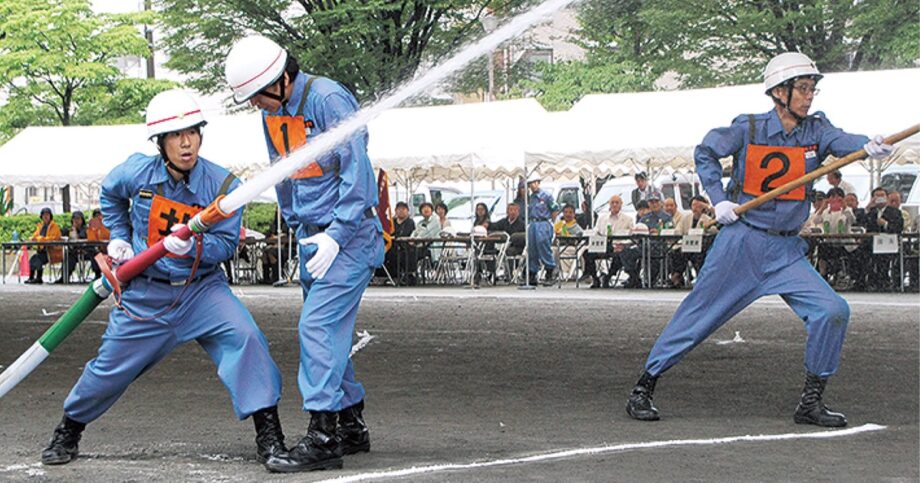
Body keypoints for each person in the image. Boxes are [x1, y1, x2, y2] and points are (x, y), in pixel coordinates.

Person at [625, 52, 893, 427]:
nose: (809, 95)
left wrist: (870, 145)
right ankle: (644, 386)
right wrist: (719, 200)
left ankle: (810, 402)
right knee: (698, 316)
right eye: (802, 88)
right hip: (742, 244)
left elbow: (844, 141)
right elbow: (706, 151)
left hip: (785, 250)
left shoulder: (817, 130)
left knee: (832, 310)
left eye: (812, 88)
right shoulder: (748, 128)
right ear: (778, 92)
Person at [39, 89, 286, 467]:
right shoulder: (135, 171)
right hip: (145, 293)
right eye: (175, 135)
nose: (186, 143)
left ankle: (270, 435)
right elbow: (109, 195)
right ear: (160, 142)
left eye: (192, 132)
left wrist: (195, 249)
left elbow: (225, 244)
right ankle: (69, 429)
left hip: (201, 291)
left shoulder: (224, 186)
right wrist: (119, 235)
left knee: (247, 338)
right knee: (109, 367)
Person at [226, 35, 384, 472]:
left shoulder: (328, 99)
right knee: (328, 336)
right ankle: (351, 425)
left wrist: (337, 233)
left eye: (256, 94)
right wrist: (299, 228)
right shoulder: (272, 112)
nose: (255, 104)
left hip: (348, 239)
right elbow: (284, 173)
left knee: (316, 328)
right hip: (315, 240)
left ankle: (323, 437)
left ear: (279, 80)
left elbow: (358, 172)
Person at [589, 195, 635, 288]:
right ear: (609, 204)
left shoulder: (628, 219)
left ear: (621, 205)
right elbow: (596, 232)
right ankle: (595, 278)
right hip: (603, 245)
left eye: (617, 203)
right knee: (587, 254)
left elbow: (632, 237)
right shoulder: (602, 218)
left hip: (619, 246)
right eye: (612, 202)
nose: (614, 205)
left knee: (620, 255)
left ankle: (608, 277)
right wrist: (597, 246)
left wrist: (624, 245)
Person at [865, 187, 904, 290]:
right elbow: (862, 224)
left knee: (883, 257)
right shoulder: (871, 212)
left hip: (888, 243)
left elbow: (898, 227)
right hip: (872, 243)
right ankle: (865, 280)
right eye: (877, 196)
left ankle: (883, 280)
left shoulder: (894, 212)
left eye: (882, 196)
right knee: (860, 253)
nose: (879, 198)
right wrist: (868, 207)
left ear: (887, 198)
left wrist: (885, 224)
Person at [523, 173, 558, 286]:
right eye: (530, 184)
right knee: (532, 248)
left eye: (533, 183)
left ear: (538, 183)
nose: (532, 186)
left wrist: (551, 222)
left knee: (543, 246)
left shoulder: (546, 195)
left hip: (543, 223)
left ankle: (550, 271)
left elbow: (554, 209)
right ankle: (533, 273)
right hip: (533, 223)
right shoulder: (531, 197)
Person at [24, 207, 62, 284]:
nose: (45, 217)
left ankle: (38, 277)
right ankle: (31, 277)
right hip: (42, 251)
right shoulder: (40, 226)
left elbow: (53, 238)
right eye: (44, 215)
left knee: (38, 259)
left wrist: (41, 239)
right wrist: (32, 238)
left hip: (51, 252)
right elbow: (35, 235)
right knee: (33, 259)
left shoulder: (54, 226)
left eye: (47, 215)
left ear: (50, 216)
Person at [385, 201, 416, 284]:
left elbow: (408, 234)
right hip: (392, 245)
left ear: (407, 211)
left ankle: (404, 276)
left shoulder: (410, 222)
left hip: (405, 247)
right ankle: (387, 276)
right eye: (399, 209)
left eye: (403, 209)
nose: (401, 211)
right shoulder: (392, 222)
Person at [56, 211, 89, 284]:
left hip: (85, 252)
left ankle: (66, 276)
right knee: (67, 256)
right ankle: (64, 276)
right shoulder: (70, 229)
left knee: (71, 256)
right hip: (74, 252)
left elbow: (77, 238)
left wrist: (74, 230)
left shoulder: (85, 229)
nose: (76, 221)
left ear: (82, 220)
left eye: (78, 219)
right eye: (74, 219)